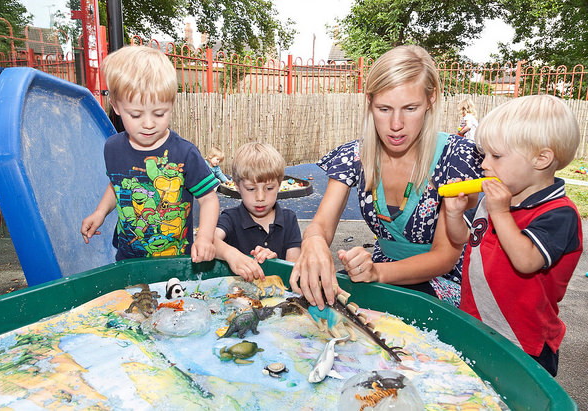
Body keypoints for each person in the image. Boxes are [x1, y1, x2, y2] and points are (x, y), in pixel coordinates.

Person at [290, 45, 483, 309]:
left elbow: (444, 258)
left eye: (410, 108)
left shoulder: (457, 157)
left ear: (431, 100)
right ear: (369, 101)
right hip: (379, 271)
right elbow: (321, 225)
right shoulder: (354, 155)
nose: (395, 124)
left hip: (443, 282)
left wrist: (377, 273)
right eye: (384, 109)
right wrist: (313, 242)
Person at [442, 95, 582, 377]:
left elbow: (526, 260)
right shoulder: (492, 199)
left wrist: (501, 213)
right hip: (478, 323)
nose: (484, 165)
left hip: (524, 341)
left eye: (496, 156)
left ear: (541, 159)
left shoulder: (559, 214)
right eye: (484, 156)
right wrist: (454, 214)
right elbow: (462, 241)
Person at [80, 45, 220, 263]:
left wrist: (204, 238)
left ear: (171, 104)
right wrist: (100, 213)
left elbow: (209, 199)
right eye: (135, 115)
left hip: (176, 258)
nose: (148, 124)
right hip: (128, 255)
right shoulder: (112, 148)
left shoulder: (184, 153)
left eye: (159, 113)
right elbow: (116, 184)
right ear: (116, 106)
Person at [215, 142, 302, 281]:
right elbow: (208, 241)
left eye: (269, 188)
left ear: (279, 185)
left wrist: (275, 264)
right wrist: (231, 254)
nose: (260, 197)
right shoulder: (230, 218)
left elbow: (295, 270)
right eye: (251, 189)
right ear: (237, 186)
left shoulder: (289, 219)